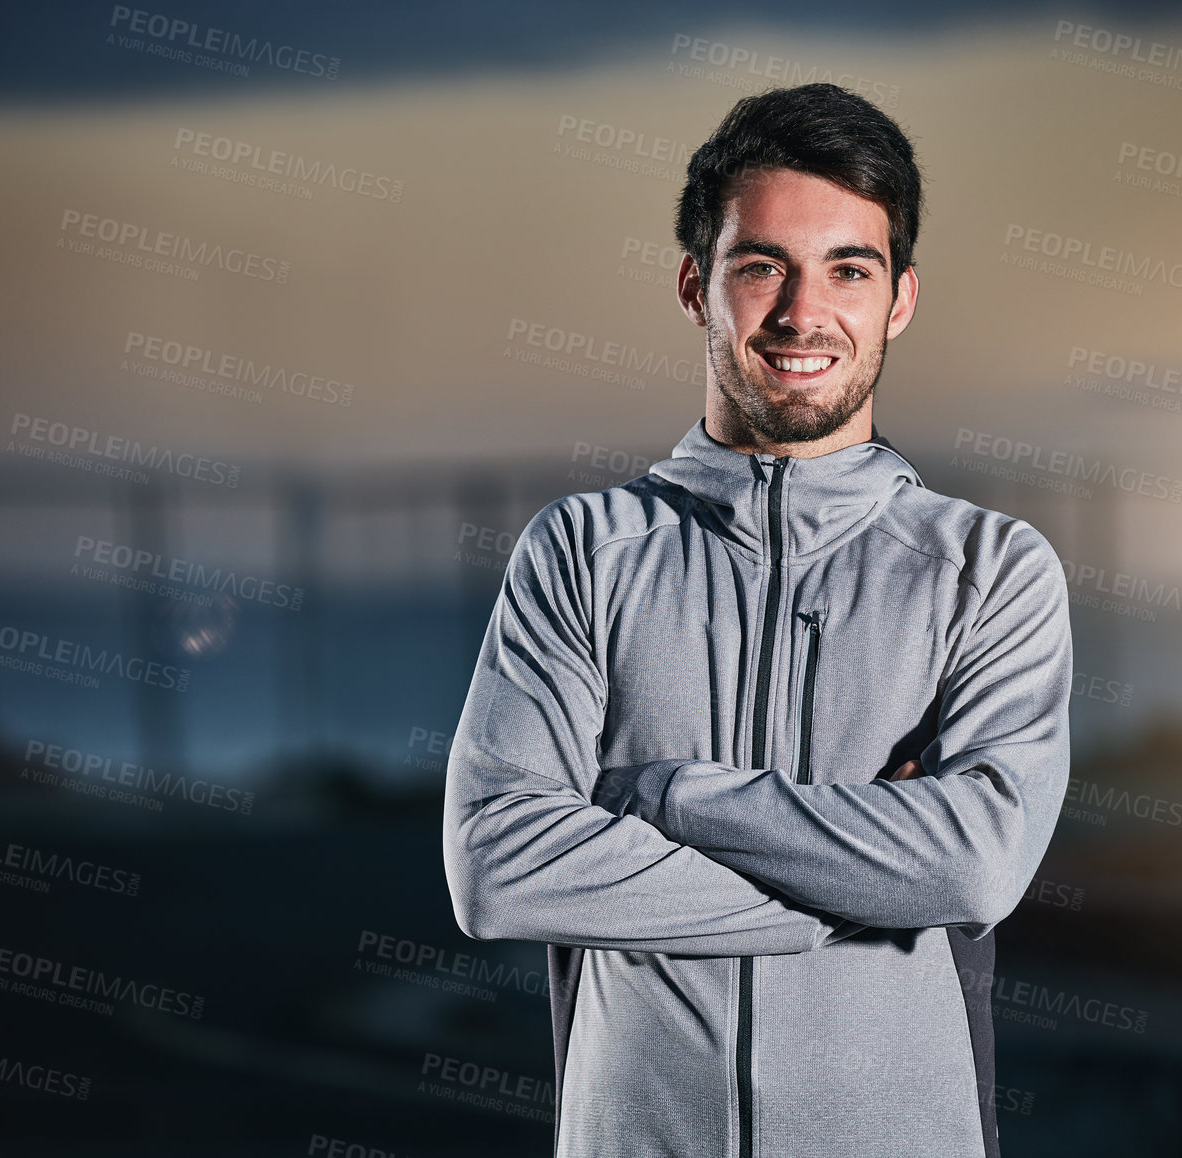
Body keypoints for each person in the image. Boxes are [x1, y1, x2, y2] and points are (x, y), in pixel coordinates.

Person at [442, 82, 1072, 1158]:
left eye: (847, 269)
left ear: (899, 299)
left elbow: (969, 870)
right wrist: (859, 887)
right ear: (695, 286)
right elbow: (497, 868)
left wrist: (661, 797)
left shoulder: (989, 569)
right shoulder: (583, 552)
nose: (799, 313)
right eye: (759, 266)